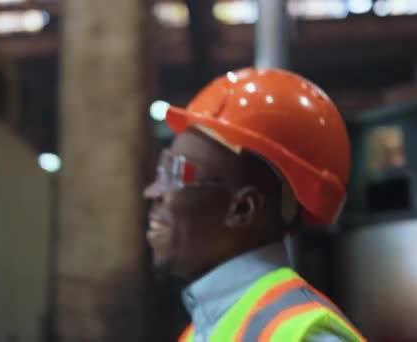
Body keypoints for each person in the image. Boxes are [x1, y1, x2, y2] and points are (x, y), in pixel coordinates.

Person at [144, 68, 366, 342]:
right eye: (162, 171)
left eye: (177, 173)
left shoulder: (304, 336)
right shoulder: (201, 332)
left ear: (242, 209)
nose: (153, 193)